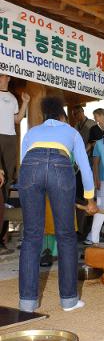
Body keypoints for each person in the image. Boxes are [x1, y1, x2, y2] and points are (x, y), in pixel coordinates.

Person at [17, 96, 97, 313]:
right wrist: (90, 198)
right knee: (66, 236)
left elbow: (23, 162)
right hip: (60, 168)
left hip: (30, 168)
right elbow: (85, 168)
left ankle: (27, 304)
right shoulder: (71, 132)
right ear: (62, 116)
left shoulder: (32, 132)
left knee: (32, 236)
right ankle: (69, 300)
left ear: (45, 116)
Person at [0, 74, 30, 251]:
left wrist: (25, 102)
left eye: (3, 76)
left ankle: (3, 237)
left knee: (6, 183)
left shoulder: (12, 98)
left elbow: (17, 120)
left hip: (11, 138)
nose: (1, 78)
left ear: (8, 78)